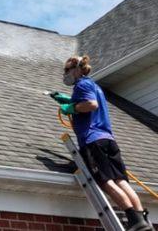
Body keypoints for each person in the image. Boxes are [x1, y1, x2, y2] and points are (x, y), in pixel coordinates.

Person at [50, 55, 154, 231]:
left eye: (67, 70)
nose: (64, 73)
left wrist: (71, 108)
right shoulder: (94, 86)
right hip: (108, 140)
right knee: (121, 181)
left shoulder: (82, 84)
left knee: (106, 182)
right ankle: (143, 220)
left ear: (76, 69)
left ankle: (133, 220)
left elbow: (91, 104)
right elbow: (89, 100)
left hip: (93, 141)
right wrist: (68, 100)